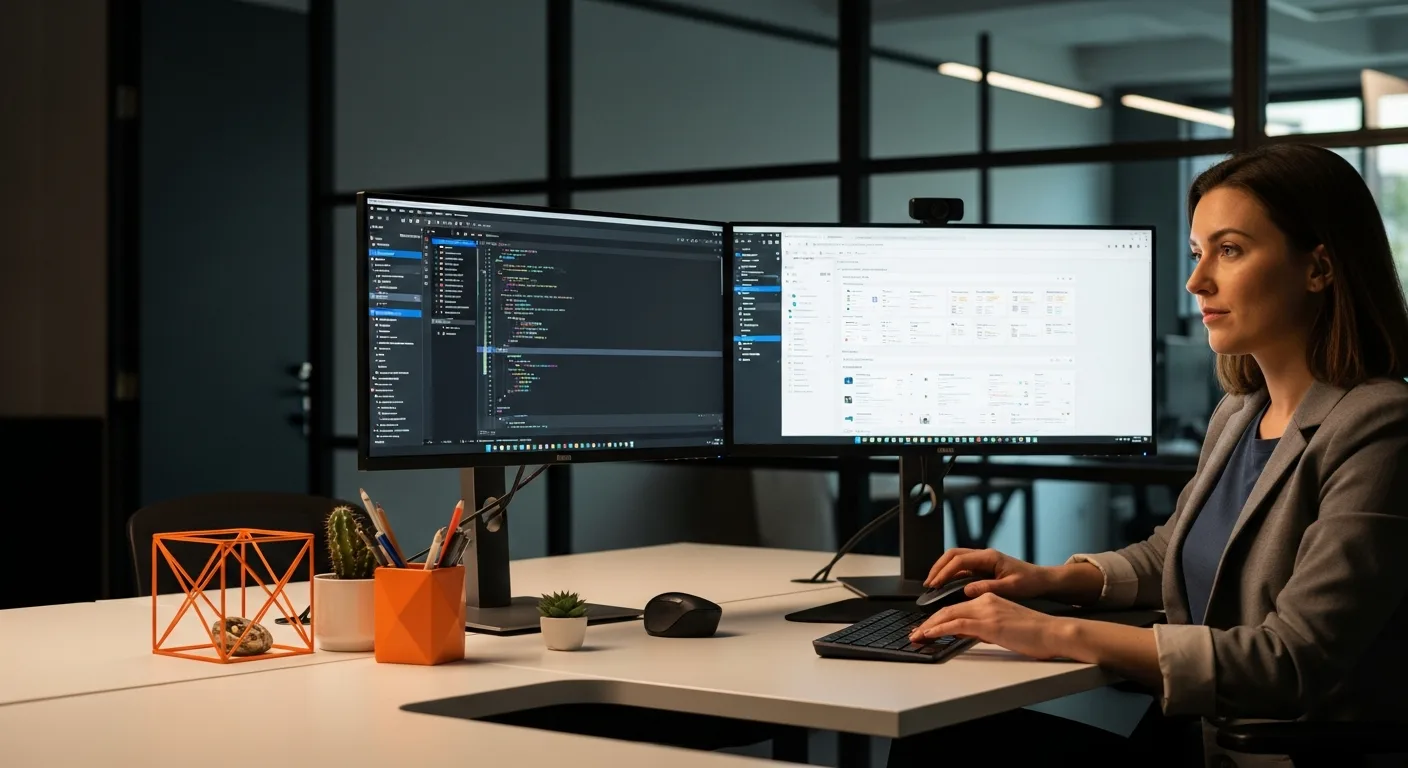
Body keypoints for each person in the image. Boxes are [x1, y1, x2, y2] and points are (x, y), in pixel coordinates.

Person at [888, 142, 1408, 768]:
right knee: (932, 737)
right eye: (1197, 252)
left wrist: (1054, 631)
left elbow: (1290, 660)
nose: (1197, 281)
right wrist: (1049, 579)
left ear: (1319, 268)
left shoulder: (1380, 427)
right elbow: (1172, 552)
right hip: (1189, 738)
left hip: (1267, 756)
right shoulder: (1241, 412)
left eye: (1230, 250)